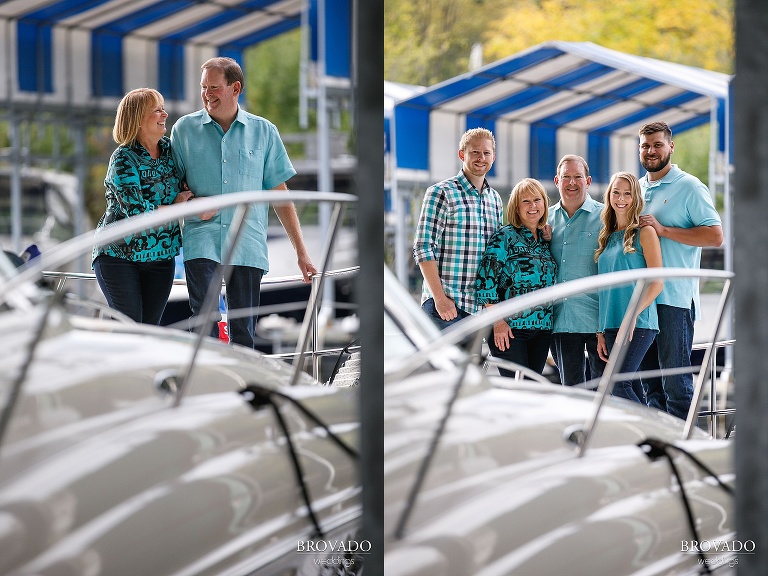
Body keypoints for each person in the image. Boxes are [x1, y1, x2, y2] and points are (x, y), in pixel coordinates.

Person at [170, 57, 317, 348]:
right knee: (204, 325)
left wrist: (301, 252)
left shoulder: (264, 132)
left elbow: (280, 197)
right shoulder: (183, 130)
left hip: (247, 244)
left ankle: (240, 389)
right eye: (203, 87)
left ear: (235, 88)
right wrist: (186, 203)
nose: (207, 94)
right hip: (202, 239)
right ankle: (208, 385)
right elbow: (171, 189)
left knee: (244, 332)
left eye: (214, 87)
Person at [636, 121, 723, 419]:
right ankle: (662, 451)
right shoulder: (635, 189)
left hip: (674, 299)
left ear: (671, 147)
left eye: (657, 144)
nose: (651, 151)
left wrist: (664, 230)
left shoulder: (690, 186)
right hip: (643, 301)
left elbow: (715, 235)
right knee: (649, 385)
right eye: (645, 145)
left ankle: (689, 448)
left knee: (676, 382)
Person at [92, 88, 193, 325]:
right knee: (129, 329)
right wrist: (178, 205)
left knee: (150, 332)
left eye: (163, 108)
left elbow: (190, 181)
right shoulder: (123, 159)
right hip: (118, 257)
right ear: (138, 119)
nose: (165, 115)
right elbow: (137, 213)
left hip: (162, 257)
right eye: (157, 110)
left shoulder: (171, 150)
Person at [412, 128, 503, 330]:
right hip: (444, 307)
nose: (481, 158)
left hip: (478, 310)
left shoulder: (495, 200)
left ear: (493, 157)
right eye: (475, 152)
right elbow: (423, 247)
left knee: (472, 363)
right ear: (462, 154)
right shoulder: (440, 192)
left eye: (486, 153)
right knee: (439, 363)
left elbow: (496, 253)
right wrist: (439, 298)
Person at [475, 178, 557, 375]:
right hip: (510, 329)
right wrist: (498, 322)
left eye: (537, 200)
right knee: (515, 389)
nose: (533, 206)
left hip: (543, 328)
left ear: (544, 204)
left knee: (532, 390)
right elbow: (485, 281)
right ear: (516, 207)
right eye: (526, 201)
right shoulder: (504, 236)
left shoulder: (545, 240)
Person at [595, 172, 663, 403]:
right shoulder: (606, 236)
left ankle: (652, 434)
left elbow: (657, 282)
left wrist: (632, 315)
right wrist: (600, 331)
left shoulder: (645, 232)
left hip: (638, 323)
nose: (621, 198)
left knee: (616, 384)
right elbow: (603, 288)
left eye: (627, 193)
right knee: (627, 388)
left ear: (635, 198)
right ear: (609, 196)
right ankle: (641, 437)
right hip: (611, 325)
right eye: (616, 192)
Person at [547, 155, 606, 387]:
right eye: (566, 177)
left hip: (597, 319)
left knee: (603, 392)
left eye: (578, 177)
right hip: (561, 320)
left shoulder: (605, 217)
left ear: (588, 181)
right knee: (571, 390)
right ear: (556, 181)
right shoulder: (544, 219)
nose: (572, 183)